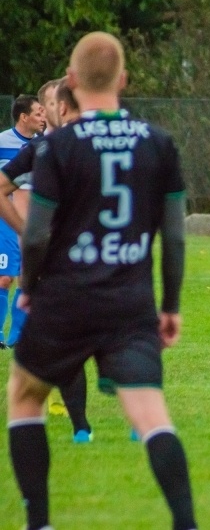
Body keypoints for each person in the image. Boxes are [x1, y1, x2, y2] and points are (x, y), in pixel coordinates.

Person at [7, 32, 198, 529]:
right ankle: (185, 523)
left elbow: (38, 235)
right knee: (151, 415)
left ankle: (39, 522)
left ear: (70, 83)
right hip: (129, 303)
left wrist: (29, 286)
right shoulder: (158, 142)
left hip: (65, 300)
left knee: (25, 396)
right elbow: (174, 238)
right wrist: (170, 305)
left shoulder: (59, 146)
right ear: (124, 80)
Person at [1, 78, 94, 441]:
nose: (58, 108)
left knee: (115, 336)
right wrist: (26, 234)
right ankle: (81, 427)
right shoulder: (38, 151)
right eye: (51, 103)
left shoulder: (92, 144)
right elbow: (10, 193)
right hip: (56, 263)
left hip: (99, 258)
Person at [0, 94, 45, 350]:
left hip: (34, 218)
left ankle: (17, 337)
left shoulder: (46, 145)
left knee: (27, 276)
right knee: (4, 277)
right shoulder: (2, 141)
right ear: (23, 117)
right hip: (5, 217)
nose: (43, 117)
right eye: (38, 113)